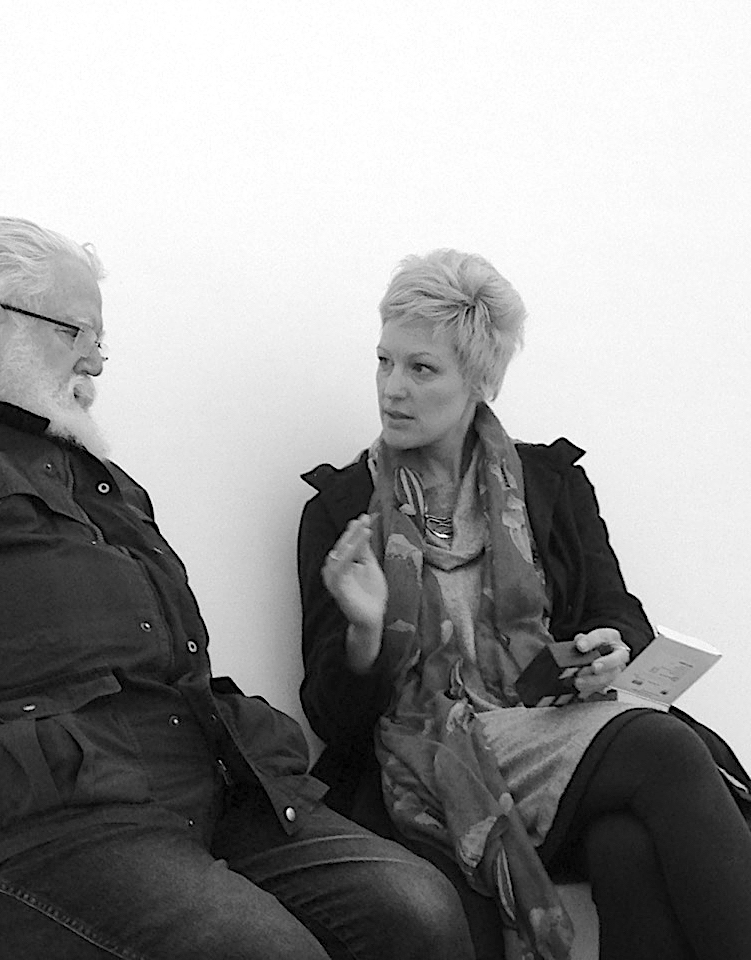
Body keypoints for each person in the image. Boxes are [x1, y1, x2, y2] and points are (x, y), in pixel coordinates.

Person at [0, 218, 474, 960]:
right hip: (23, 823)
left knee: (420, 909)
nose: (97, 361)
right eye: (78, 331)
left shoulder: (103, 483)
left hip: (204, 788)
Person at [297, 248, 751, 960]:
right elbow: (336, 720)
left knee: (626, 845)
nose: (393, 388)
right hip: (429, 755)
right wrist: (366, 630)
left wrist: (610, 646)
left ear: (479, 381)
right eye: (385, 361)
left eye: (422, 369)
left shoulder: (551, 483)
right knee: (663, 745)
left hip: (544, 732)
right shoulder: (343, 509)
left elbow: (615, 609)